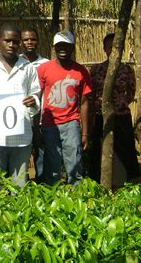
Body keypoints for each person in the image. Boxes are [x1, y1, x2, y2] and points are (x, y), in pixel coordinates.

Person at [0, 24, 41, 188]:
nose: (11, 45)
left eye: (15, 41)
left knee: (19, 186)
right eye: (7, 41)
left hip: (22, 136)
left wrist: (33, 101)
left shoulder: (27, 67)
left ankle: (18, 214)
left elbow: (35, 93)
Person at [37, 30, 91, 185]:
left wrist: (85, 133)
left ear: (73, 48)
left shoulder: (80, 71)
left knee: (74, 162)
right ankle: (53, 199)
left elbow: (85, 101)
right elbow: (37, 98)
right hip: (49, 123)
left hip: (71, 122)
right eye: (59, 46)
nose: (63, 49)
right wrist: (36, 127)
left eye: (67, 46)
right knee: (52, 164)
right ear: (54, 47)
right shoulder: (43, 69)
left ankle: (76, 199)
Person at [89, 33, 140, 185]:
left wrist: (120, 104)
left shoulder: (126, 70)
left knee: (123, 152)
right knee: (100, 150)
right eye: (109, 47)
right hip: (100, 117)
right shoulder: (96, 70)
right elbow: (91, 94)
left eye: (116, 47)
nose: (112, 50)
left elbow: (131, 92)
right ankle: (101, 183)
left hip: (121, 116)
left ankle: (121, 183)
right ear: (104, 48)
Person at [20, 27, 49, 183]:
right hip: (20, 119)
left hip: (41, 118)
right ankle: (22, 188)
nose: (29, 42)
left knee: (41, 154)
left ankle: (41, 186)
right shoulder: (16, 63)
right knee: (22, 156)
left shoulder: (46, 64)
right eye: (26, 39)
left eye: (33, 39)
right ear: (20, 42)